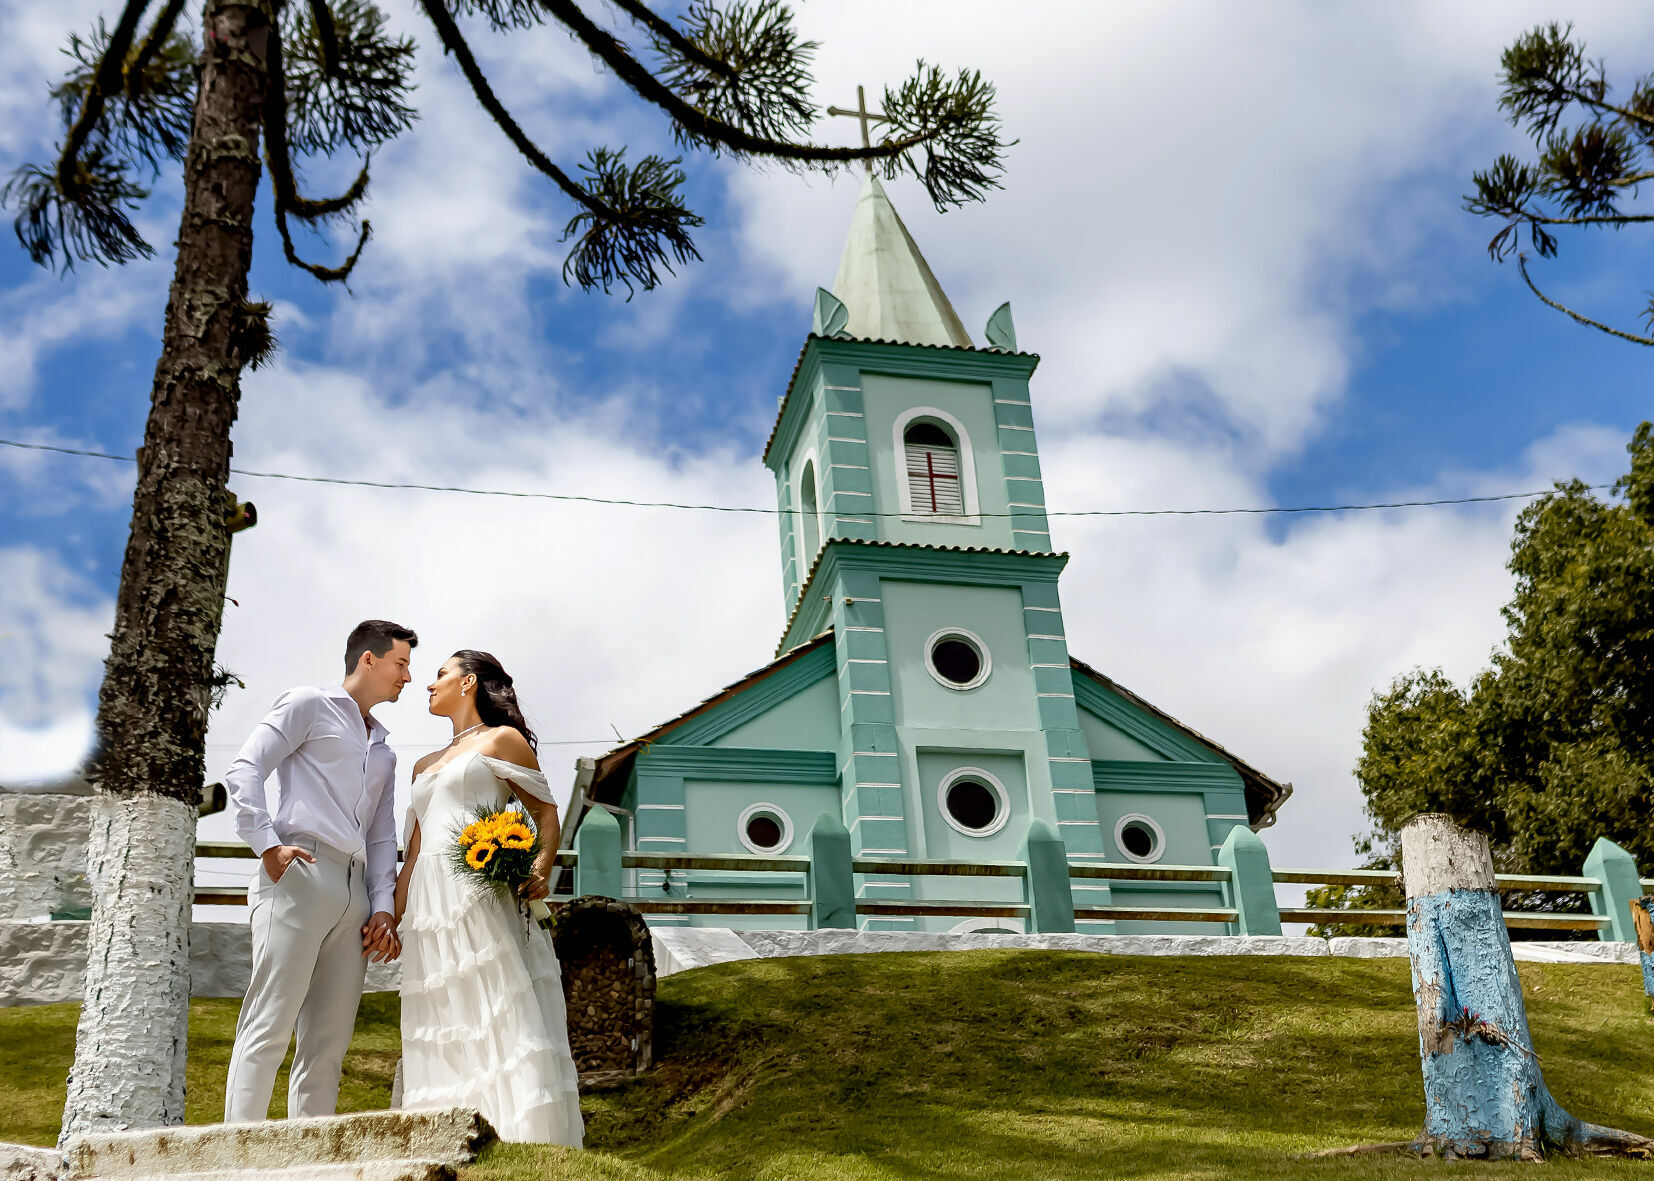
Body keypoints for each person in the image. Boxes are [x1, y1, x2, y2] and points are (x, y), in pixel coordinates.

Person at [221, 620, 415, 1123]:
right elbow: (245, 767)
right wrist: (266, 843)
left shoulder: (385, 752)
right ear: (367, 659)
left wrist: (382, 910)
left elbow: (379, 838)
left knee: (328, 1046)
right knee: (269, 1024)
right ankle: (236, 1160)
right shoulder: (308, 703)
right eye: (401, 663)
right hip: (300, 872)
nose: (408, 677)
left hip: (354, 896)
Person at [394, 650, 584, 1146]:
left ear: (469, 682)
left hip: (478, 889)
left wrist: (541, 868)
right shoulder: (422, 764)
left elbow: (545, 813)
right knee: (438, 1008)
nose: (428, 685)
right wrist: (389, 916)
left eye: (439, 675)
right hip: (426, 900)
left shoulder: (502, 741)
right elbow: (411, 854)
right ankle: (444, 1131)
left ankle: (521, 1133)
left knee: (496, 1000)